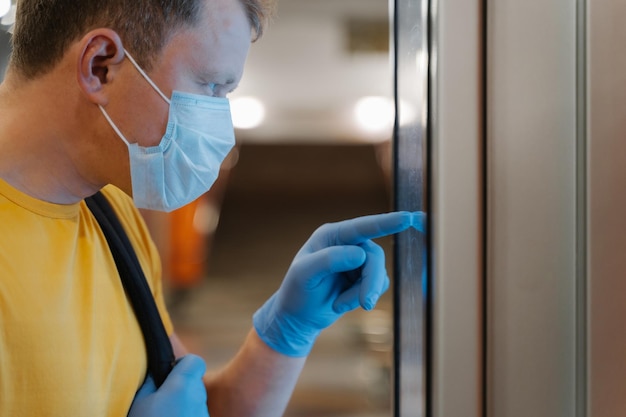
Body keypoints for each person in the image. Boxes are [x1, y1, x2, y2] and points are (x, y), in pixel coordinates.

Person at [0, 0, 423, 416]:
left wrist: (285, 331)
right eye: (210, 86)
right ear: (102, 66)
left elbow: (203, 407)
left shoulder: (112, 216)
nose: (221, 121)